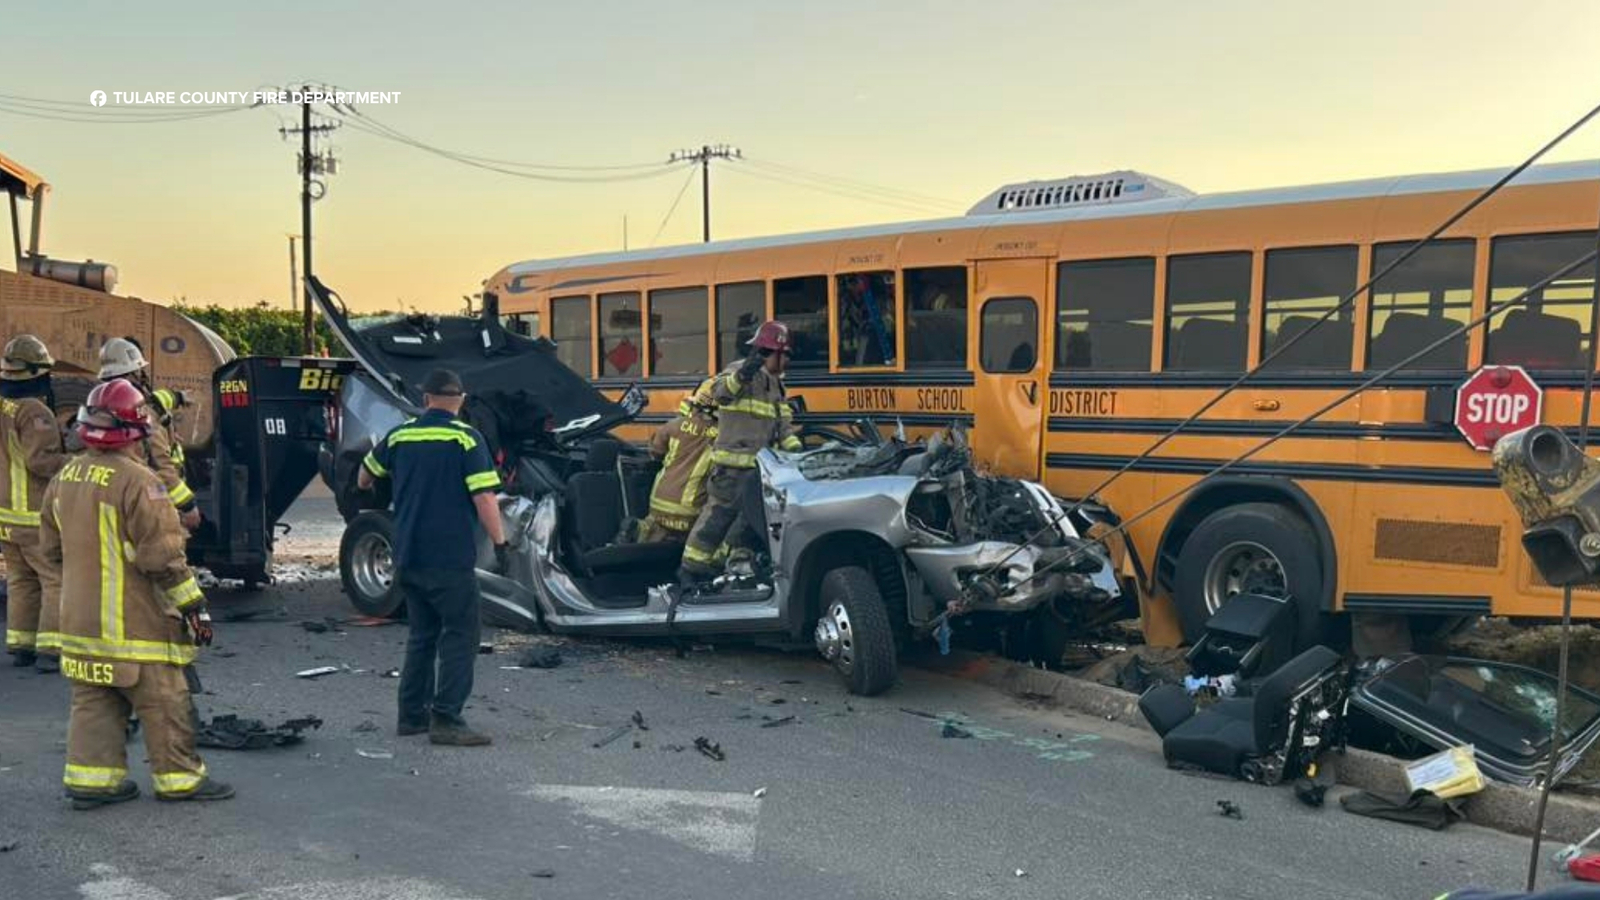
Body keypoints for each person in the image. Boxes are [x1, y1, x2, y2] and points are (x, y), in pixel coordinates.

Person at [40, 379, 231, 810]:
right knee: (164, 698)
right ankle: (179, 780)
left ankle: (93, 783)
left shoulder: (63, 478)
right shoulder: (141, 483)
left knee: (95, 702)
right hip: (134, 625)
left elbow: (51, 552)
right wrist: (194, 608)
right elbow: (163, 559)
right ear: (136, 431)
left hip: (79, 626)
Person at [358, 368, 508, 746]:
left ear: (425, 399)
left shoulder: (400, 434)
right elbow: (484, 497)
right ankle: (447, 719)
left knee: (422, 635)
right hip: (449, 557)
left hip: (407, 554)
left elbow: (364, 477)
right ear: (461, 401)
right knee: (461, 635)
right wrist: (501, 543)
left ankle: (411, 717)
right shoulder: (465, 439)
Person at [678, 322, 802, 584]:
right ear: (770, 352)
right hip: (730, 470)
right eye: (785, 355)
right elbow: (720, 393)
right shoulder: (738, 372)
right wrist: (744, 373)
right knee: (716, 521)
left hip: (760, 471)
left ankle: (727, 570)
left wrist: (797, 453)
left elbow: (784, 425)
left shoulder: (776, 386)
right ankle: (689, 571)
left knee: (747, 525)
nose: (788, 361)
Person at [0, 335, 67, 671]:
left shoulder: (4, 407)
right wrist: (74, 462)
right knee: (54, 577)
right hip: (33, 516)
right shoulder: (35, 411)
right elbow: (40, 462)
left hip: (5, 517)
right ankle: (51, 649)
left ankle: (21, 645)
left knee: (20, 580)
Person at [97, 337, 200, 532]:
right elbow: (159, 462)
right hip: (146, 497)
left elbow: (157, 399)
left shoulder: (96, 406)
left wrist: (178, 397)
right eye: (139, 370)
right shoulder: (140, 412)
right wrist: (187, 505)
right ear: (133, 372)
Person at [636, 377, 718, 545]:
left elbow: (655, 452)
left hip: (658, 504)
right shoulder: (724, 435)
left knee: (651, 545)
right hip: (691, 511)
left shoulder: (674, 425)